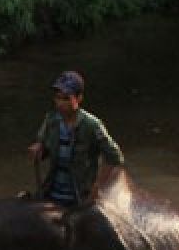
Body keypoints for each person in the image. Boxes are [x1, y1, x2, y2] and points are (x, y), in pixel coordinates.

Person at [27, 70, 125, 206]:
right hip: (52, 190)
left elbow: (115, 157)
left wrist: (98, 186)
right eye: (57, 97)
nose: (60, 103)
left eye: (66, 98)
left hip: (81, 194)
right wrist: (39, 148)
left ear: (79, 98)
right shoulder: (51, 120)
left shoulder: (92, 125)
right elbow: (44, 145)